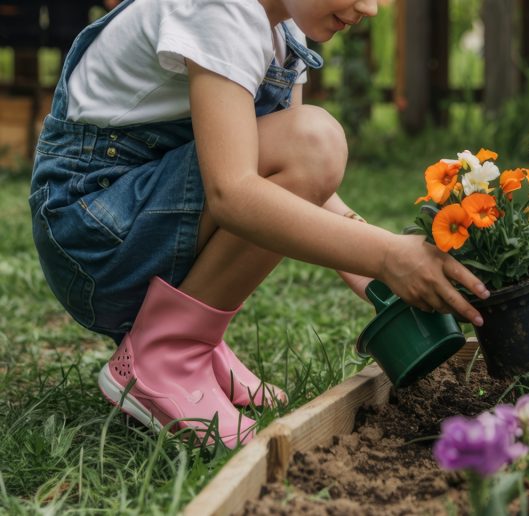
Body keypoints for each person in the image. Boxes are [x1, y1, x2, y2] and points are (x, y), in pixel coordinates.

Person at [28, 0, 489, 449]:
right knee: (313, 140)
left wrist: (378, 271)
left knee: (309, 144)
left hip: (129, 222)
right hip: (93, 235)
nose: (371, 9)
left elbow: (298, 180)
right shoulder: (219, 10)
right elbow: (235, 194)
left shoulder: (282, 30)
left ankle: (190, 340)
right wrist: (388, 257)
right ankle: (168, 351)